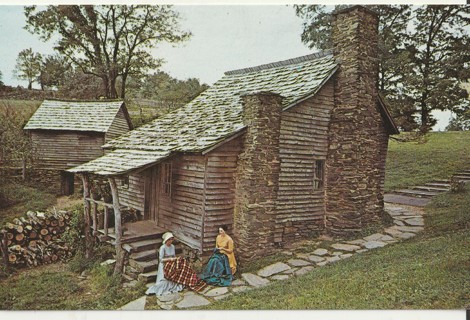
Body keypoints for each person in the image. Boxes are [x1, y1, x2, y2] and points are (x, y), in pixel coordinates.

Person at [145, 232, 184, 296]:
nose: (170, 241)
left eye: (171, 239)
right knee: (164, 280)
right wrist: (169, 259)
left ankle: (172, 286)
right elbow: (161, 259)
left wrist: (175, 260)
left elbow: (174, 256)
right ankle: (158, 289)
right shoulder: (162, 248)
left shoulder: (172, 246)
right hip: (164, 264)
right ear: (166, 240)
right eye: (169, 240)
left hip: (171, 264)